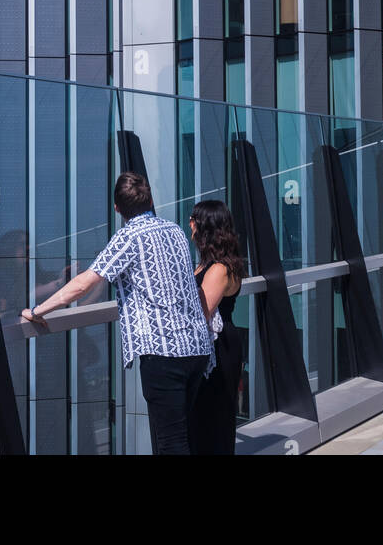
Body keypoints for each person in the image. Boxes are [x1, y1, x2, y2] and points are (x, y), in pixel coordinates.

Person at [21, 172, 213, 455]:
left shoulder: (128, 237)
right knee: (181, 433)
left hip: (163, 351)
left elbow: (84, 283)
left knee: (171, 441)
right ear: (150, 200)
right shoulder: (175, 230)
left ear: (117, 209)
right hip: (197, 347)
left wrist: (38, 310)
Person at [187, 199, 245, 456]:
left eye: (194, 219)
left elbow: (201, 311)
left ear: (205, 225)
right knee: (206, 419)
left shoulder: (219, 268)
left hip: (219, 349)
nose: (189, 223)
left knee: (213, 419)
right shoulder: (210, 264)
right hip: (218, 345)